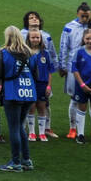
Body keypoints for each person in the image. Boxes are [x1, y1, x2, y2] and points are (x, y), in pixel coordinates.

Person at [59, 2, 91, 140]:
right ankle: (73, 129)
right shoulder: (69, 27)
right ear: (78, 14)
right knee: (75, 99)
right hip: (74, 68)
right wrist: (62, 66)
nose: (85, 18)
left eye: (87, 16)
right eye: (83, 16)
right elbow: (63, 47)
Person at [0, 26, 36, 172]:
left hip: (12, 92)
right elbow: (35, 73)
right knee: (20, 126)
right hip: (29, 92)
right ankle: (26, 160)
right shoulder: (30, 53)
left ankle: (16, 162)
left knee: (14, 128)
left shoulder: (4, 53)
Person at [21, 10, 58, 140]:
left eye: (38, 37)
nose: (36, 39)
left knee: (42, 105)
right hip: (29, 84)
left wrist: (49, 85)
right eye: (31, 17)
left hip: (42, 84)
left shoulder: (45, 52)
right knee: (30, 106)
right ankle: (31, 131)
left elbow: (50, 68)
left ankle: (43, 131)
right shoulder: (25, 51)